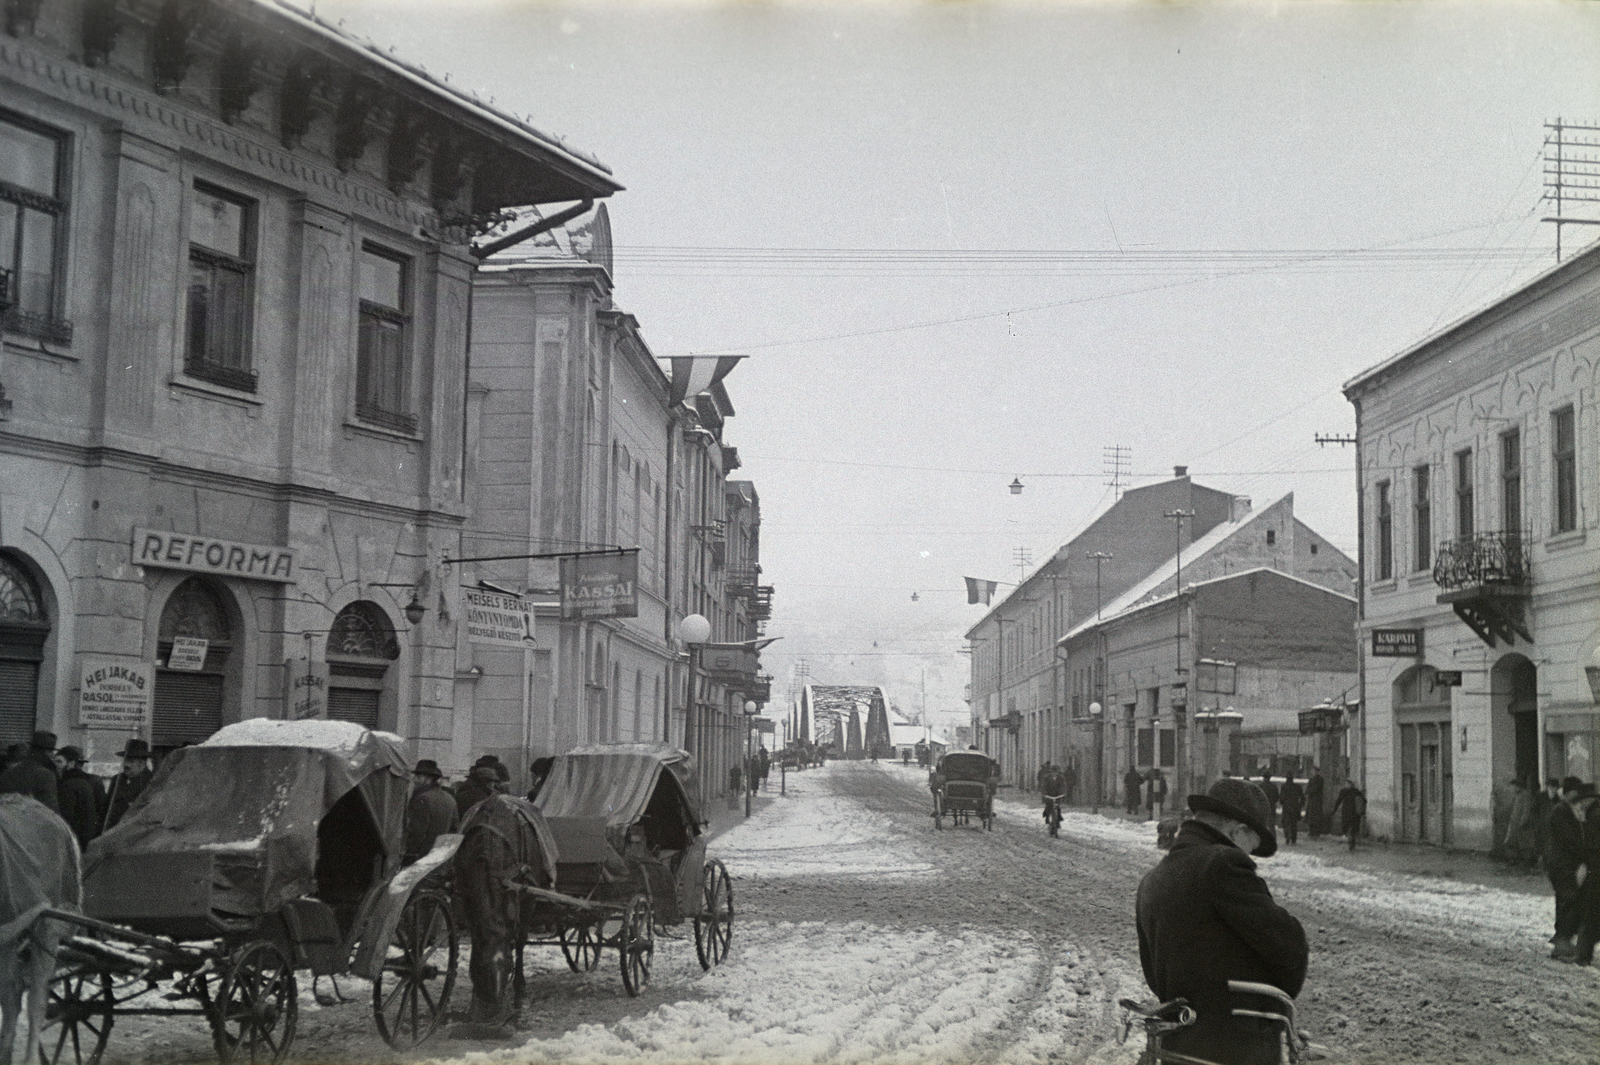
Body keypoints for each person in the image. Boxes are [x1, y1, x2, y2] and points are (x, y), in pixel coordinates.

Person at [1136, 777, 1308, 1065]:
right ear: (1237, 831)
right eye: (1250, 849)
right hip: (1233, 1048)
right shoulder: (1222, 864)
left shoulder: (1153, 880)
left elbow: (1155, 975)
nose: (1249, 858)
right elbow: (1289, 949)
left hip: (1178, 1046)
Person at [1546, 777, 1585, 961]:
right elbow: (1568, 839)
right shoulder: (1561, 811)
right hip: (1560, 865)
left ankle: (1563, 942)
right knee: (1568, 901)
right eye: (1576, 792)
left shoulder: (1567, 809)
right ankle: (1562, 944)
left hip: (1565, 864)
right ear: (1570, 792)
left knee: (1568, 901)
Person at [402, 759, 459, 864]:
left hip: (422, 858)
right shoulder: (449, 798)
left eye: (418, 777)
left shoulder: (421, 799)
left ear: (429, 778)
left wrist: (408, 856)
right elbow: (454, 829)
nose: (414, 780)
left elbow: (417, 832)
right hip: (440, 856)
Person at [1569, 783, 1600, 966]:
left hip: (1596, 873)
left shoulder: (1595, 818)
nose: (1579, 805)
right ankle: (1583, 953)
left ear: (1588, 800)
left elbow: (1593, 849)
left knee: (1590, 914)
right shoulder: (1595, 814)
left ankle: (1582, 956)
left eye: (1581, 801)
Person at [56, 745, 107, 849]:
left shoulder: (66, 784)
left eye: (59, 761)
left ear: (71, 763)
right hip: (90, 838)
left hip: (74, 839)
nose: (56, 765)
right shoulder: (95, 780)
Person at [0, 729, 62, 814]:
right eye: (51, 752)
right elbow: (51, 811)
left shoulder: (7, 773)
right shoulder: (45, 775)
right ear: (46, 752)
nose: (53, 756)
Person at [102, 738, 152, 831]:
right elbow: (106, 809)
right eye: (125, 760)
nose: (126, 765)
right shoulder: (117, 780)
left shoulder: (152, 782)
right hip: (112, 833)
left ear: (142, 763)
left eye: (131, 761)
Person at [1502, 778, 1540, 868]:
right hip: (1515, 823)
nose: (1513, 788)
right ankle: (1513, 859)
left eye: (1514, 786)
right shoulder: (1518, 795)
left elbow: (1526, 810)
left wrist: (1523, 822)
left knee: (1524, 844)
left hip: (1521, 824)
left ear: (1518, 786)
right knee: (1511, 842)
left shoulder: (1526, 795)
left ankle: (1527, 862)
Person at [1329, 779, 1366, 851]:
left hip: (1348, 813)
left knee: (1349, 828)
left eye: (1346, 784)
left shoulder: (1344, 791)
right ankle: (1352, 842)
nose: (1345, 785)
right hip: (1354, 814)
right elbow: (1364, 800)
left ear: (1350, 784)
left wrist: (1334, 810)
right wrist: (1362, 810)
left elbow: (1338, 801)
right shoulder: (1356, 791)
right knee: (1353, 829)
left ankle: (1351, 842)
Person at [1278, 775, 1304, 846]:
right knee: (1294, 823)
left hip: (1286, 807)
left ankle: (1287, 835)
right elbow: (1302, 797)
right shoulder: (1297, 787)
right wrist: (1300, 806)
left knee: (1285, 822)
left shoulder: (1284, 786)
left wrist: (1282, 803)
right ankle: (1293, 839)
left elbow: (1281, 798)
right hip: (1295, 807)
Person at [1304, 768, 1326, 838]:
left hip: (1316, 801)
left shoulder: (1320, 780)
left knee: (1316, 816)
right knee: (1311, 816)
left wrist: (1310, 790)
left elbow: (1314, 789)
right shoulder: (1312, 779)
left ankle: (1316, 832)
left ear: (1317, 772)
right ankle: (1311, 831)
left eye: (1314, 771)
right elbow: (1308, 789)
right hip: (1312, 800)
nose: (1312, 772)